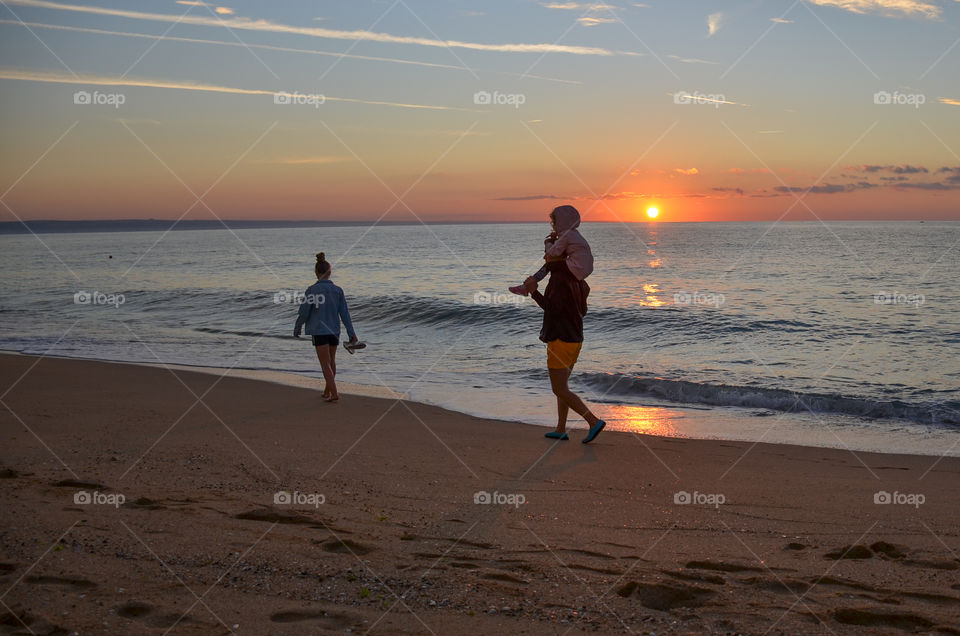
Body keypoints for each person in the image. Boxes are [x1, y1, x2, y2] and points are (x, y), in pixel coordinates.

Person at [526, 257, 606, 444]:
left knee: (559, 388)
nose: (545, 257)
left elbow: (552, 309)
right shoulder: (579, 279)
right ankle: (561, 429)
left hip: (560, 340)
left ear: (557, 255)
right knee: (563, 388)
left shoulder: (559, 279)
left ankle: (593, 421)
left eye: (548, 252)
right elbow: (582, 311)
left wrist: (533, 292)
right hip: (575, 339)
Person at [294, 253, 358, 403]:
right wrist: (351, 333)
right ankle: (327, 391)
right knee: (331, 361)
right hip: (334, 330)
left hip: (319, 330)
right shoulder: (338, 290)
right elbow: (345, 314)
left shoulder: (312, 290)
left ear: (316, 273)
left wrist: (298, 327)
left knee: (325, 364)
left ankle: (334, 392)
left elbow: (304, 312)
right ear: (330, 273)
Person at [509, 205, 594, 297]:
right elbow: (563, 247)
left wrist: (548, 242)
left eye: (554, 222)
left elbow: (554, 252)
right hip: (584, 266)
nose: (552, 224)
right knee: (552, 264)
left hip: (577, 266)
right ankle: (526, 286)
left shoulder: (566, 235)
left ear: (561, 223)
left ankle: (526, 287)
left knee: (549, 265)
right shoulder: (573, 233)